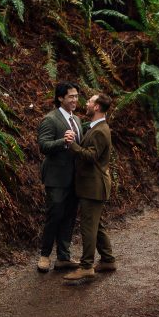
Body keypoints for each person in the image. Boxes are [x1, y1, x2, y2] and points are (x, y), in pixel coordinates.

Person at [63, 93, 116, 282]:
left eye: (90, 101)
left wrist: (72, 144)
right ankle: (108, 260)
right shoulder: (96, 127)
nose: (86, 103)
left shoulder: (101, 130)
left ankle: (86, 266)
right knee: (96, 224)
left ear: (96, 107)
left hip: (93, 187)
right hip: (91, 186)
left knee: (88, 226)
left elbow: (90, 156)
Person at [35, 82, 83, 272]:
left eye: (77, 96)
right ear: (60, 98)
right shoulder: (50, 119)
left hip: (75, 178)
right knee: (54, 216)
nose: (75, 100)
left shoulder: (77, 120)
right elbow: (43, 146)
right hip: (56, 178)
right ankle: (45, 256)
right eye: (71, 96)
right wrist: (63, 141)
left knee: (70, 216)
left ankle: (63, 257)